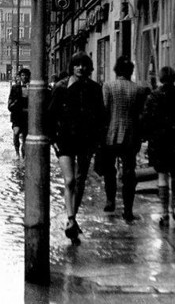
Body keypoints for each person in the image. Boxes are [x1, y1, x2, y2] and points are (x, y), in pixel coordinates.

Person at [48, 51, 105, 242]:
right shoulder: (61, 87)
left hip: (86, 141)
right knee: (70, 180)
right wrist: (52, 139)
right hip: (64, 139)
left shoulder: (95, 89)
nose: (81, 68)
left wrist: (98, 141)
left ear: (89, 68)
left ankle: (72, 218)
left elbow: (100, 116)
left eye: (84, 65)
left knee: (80, 181)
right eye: (77, 64)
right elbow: (51, 114)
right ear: (72, 66)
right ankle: (71, 219)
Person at [99, 56, 149, 221]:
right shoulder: (138, 90)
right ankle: (128, 210)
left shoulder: (108, 86)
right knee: (129, 172)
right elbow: (140, 115)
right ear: (131, 71)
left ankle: (110, 200)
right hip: (131, 135)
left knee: (109, 170)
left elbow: (105, 110)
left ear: (116, 70)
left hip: (110, 135)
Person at [141, 66, 175, 227]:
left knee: (162, 176)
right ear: (174, 77)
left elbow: (147, 119)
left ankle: (164, 213)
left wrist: (146, 137)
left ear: (160, 78)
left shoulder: (154, 95)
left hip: (159, 141)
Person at [8, 68, 30, 158]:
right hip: (17, 114)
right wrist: (12, 105)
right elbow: (10, 101)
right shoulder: (15, 87)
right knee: (16, 132)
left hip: (27, 115)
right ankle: (17, 153)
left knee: (25, 136)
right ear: (20, 77)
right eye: (22, 75)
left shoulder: (32, 87)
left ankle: (23, 155)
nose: (24, 77)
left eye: (25, 75)